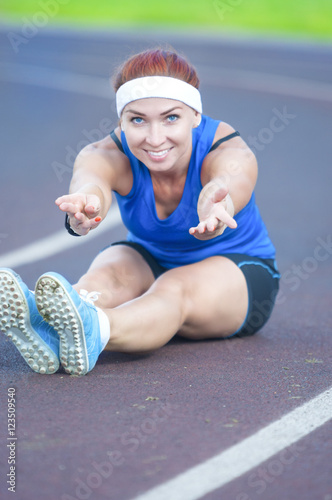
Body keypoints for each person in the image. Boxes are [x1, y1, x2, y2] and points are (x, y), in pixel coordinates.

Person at [0, 48, 280, 376]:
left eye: (171, 117)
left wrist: (219, 204)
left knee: (175, 287)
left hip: (240, 274)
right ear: (121, 121)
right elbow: (91, 182)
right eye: (137, 120)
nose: (154, 138)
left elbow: (233, 177)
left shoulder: (226, 147)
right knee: (109, 271)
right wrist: (85, 207)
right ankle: (46, 325)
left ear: (195, 117)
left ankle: (97, 329)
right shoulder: (106, 153)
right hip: (152, 258)